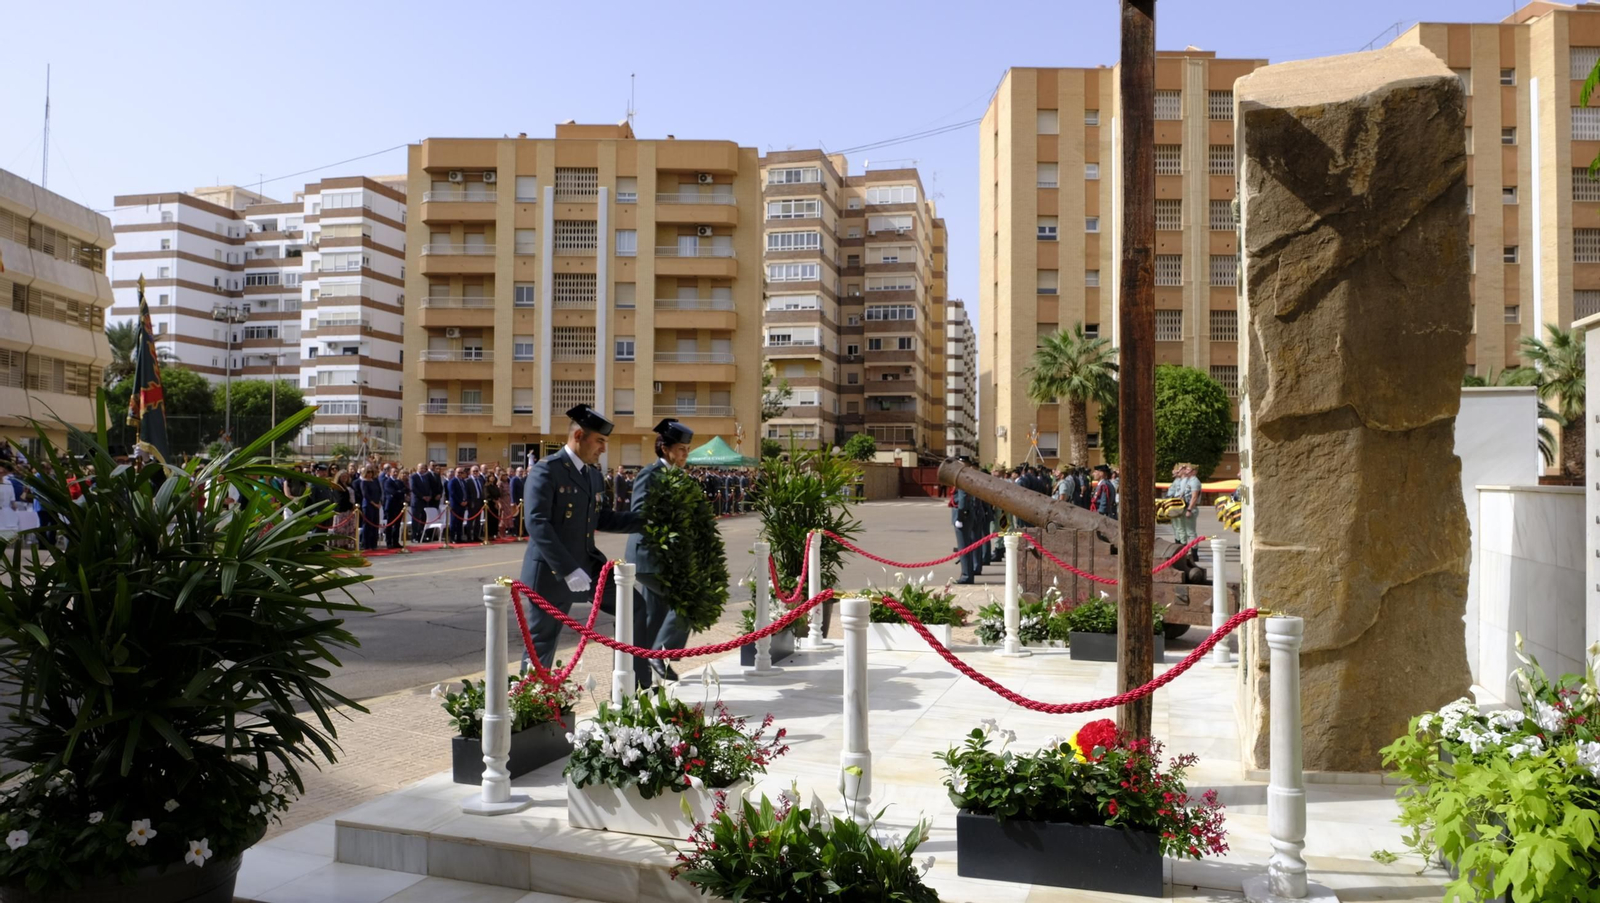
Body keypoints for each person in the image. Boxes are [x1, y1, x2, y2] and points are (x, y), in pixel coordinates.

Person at [519, 404, 642, 670]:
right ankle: (531, 706)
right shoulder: (547, 470)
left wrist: (647, 519)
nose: (603, 448)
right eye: (599, 441)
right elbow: (537, 523)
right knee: (541, 643)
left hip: (588, 567)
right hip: (553, 572)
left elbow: (603, 517)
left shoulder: (593, 476)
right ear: (578, 436)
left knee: (634, 605)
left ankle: (633, 681)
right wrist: (567, 569)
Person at [626, 418, 696, 687]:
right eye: (680, 449)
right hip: (649, 556)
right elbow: (640, 511)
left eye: (687, 450)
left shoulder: (678, 476)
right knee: (686, 601)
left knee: (655, 614)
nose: (684, 454)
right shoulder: (651, 473)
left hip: (665, 559)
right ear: (665, 449)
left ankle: (644, 670)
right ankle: (661, 654)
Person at [357, 464, 383, 552]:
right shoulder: (363, 482)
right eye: (368, 472)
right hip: (368, 505)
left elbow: (379, 491)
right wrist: (373, 503)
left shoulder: (375, 481)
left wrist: (379, 502)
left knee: (375, 525)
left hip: (376, 504)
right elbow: (365, 495)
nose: (369, 474)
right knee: (368, 525)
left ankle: (373, 544)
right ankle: (366, 544)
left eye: (371, 472)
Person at [380, 464, 406, 548]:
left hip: (399, 506)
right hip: (391, 506)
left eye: (396, 472)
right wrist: (399, 492)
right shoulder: (387, 482)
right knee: (390, 525)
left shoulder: (399, 482)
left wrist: (399, 492)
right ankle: (389, 542)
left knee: (397, 525)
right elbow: (392, 492)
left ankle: (396, 542)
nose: (395, 473)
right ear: (390, 473)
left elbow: (405, 490)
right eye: (393, 472)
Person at [331, 469, 358, 549]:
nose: (344, 478)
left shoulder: (348, 485)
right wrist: (351, 505)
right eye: (343, 476)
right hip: (341, 511)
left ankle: (346, 544)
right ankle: (339, 545)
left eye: (346, 476)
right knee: (340, 529)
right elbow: (340, 500)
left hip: (348, 511)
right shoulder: (337, 486)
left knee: (347, 529)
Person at [409, 461, 433, 543]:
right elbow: (413, 488)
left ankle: (421, 536)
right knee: (415, 520)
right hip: (417, 501)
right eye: (421, 468)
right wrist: (422, 496)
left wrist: (429, 496)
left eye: (424, 468)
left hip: (425, 501)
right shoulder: (413, 477)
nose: (422, 470)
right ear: (417, 468)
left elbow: (429, 487)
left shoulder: (426, 477)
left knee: (423, 519)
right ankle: (414, 537)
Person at [446, 466, 468, 544]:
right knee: (454, 522)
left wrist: (466, 501)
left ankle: (459, 537)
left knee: (460, 522)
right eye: (458, 472)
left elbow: (466, 492)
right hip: (455, 504)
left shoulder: (463, 481)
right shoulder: (452, 481)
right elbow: (452, 494)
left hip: (463, 504)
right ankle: (452, 538)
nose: (460, 474)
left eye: (461, 473)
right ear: (455, 473)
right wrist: (460, 502)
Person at [509, 466, 527, 539]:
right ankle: (516, 532)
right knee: (516, 518)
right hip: (516, 502)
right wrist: (513, 501)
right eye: (519, 471)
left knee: (521, 517)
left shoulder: (522, 480)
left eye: (522, 471)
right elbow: (512, 491)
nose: (521, 473)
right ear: (516, 472)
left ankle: (521, 531)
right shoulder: (514, 479)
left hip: (522, 501)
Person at [484, 472, 503, 542]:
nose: (492, 478)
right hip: (490, 504)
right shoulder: (486, 486)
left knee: (495, 520)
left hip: (496, 505)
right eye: (490, 477)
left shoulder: (495, 486)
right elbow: (487, 496)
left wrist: (498, 501)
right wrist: (494, 501)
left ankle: (493, 534)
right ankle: (488, 535)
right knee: (490, 520)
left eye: (493, 477)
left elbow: (498, 494)